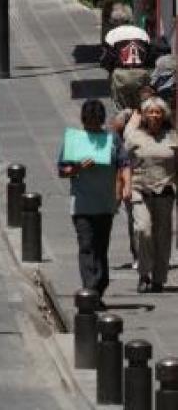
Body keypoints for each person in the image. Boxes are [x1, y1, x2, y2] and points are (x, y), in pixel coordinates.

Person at [58, 100, 129, 306]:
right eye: (88, 122)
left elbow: (124, 163)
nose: (92, 126)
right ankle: (90, 291)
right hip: (82, 204)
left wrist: (126, 186)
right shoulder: (75, 140)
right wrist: (78, 168)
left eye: (96, 122)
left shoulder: (112, 139)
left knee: (101, 247)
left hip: (105, 204)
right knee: (87, 246)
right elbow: (63, 170)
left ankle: (98, 287)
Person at [123, 96, 178, 293]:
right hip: (140, 190)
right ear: (144, 115)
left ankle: (159, 278)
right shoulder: (133, 136)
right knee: (143, 230)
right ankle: (144, 273)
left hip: (165, 191)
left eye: (158, 112)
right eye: (150, 112)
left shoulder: (173, 136)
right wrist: (125, 186)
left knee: (163, 236)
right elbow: (123, 163)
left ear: (164, 115)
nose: (154, 115)